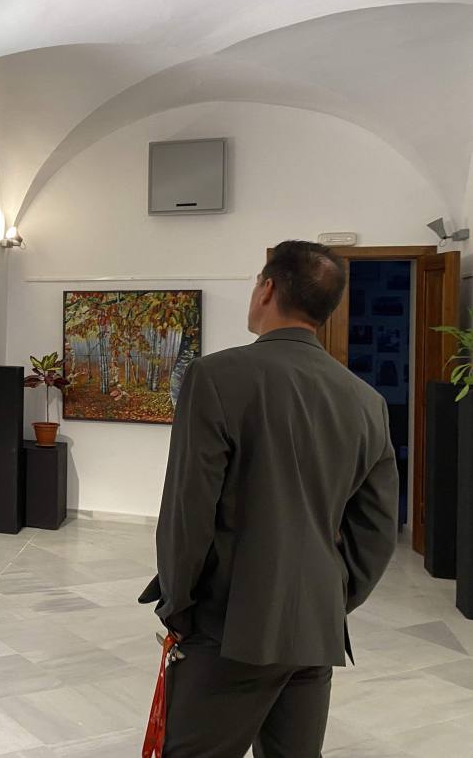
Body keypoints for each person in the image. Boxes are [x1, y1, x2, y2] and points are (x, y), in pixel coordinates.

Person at [140, 240, 399, 757]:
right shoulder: (367, 402)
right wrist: (331, 597)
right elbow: (377, 530)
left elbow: (188, 511)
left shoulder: (215, 376)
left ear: (267, 288)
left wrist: (179, 604)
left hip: (231, 626)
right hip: (314, 632)